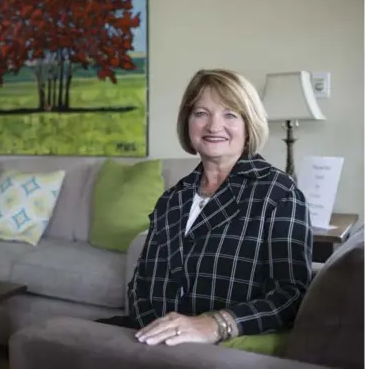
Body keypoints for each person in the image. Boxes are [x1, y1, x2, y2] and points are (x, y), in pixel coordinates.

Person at [96, 68, 313, 347]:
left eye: (230, 114)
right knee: (61, 339)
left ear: (249, 125)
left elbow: (291, 294)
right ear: (188, 122)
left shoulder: (279, 193)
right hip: (151, 339)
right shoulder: (173, 198)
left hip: (219, 348)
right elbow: (140, 283)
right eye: (201, 113)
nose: (213, 126)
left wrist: (216, 324)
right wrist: (155, 335)